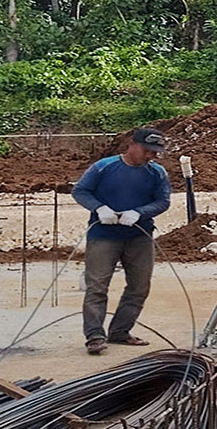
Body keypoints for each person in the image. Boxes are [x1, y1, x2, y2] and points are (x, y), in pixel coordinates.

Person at [72, 127, 172, 354]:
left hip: (139, 236)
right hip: (104, 236)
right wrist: (99, 208)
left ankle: (120, 331)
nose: (150, 156)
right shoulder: (103, 167)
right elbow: (80, 192)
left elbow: (163, 201)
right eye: (147, 150)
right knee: (97, 287)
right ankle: (95, 336)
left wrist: (140, 212)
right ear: (131, 144)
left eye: (154, 152)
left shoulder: (157, 173)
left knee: (139, 286)